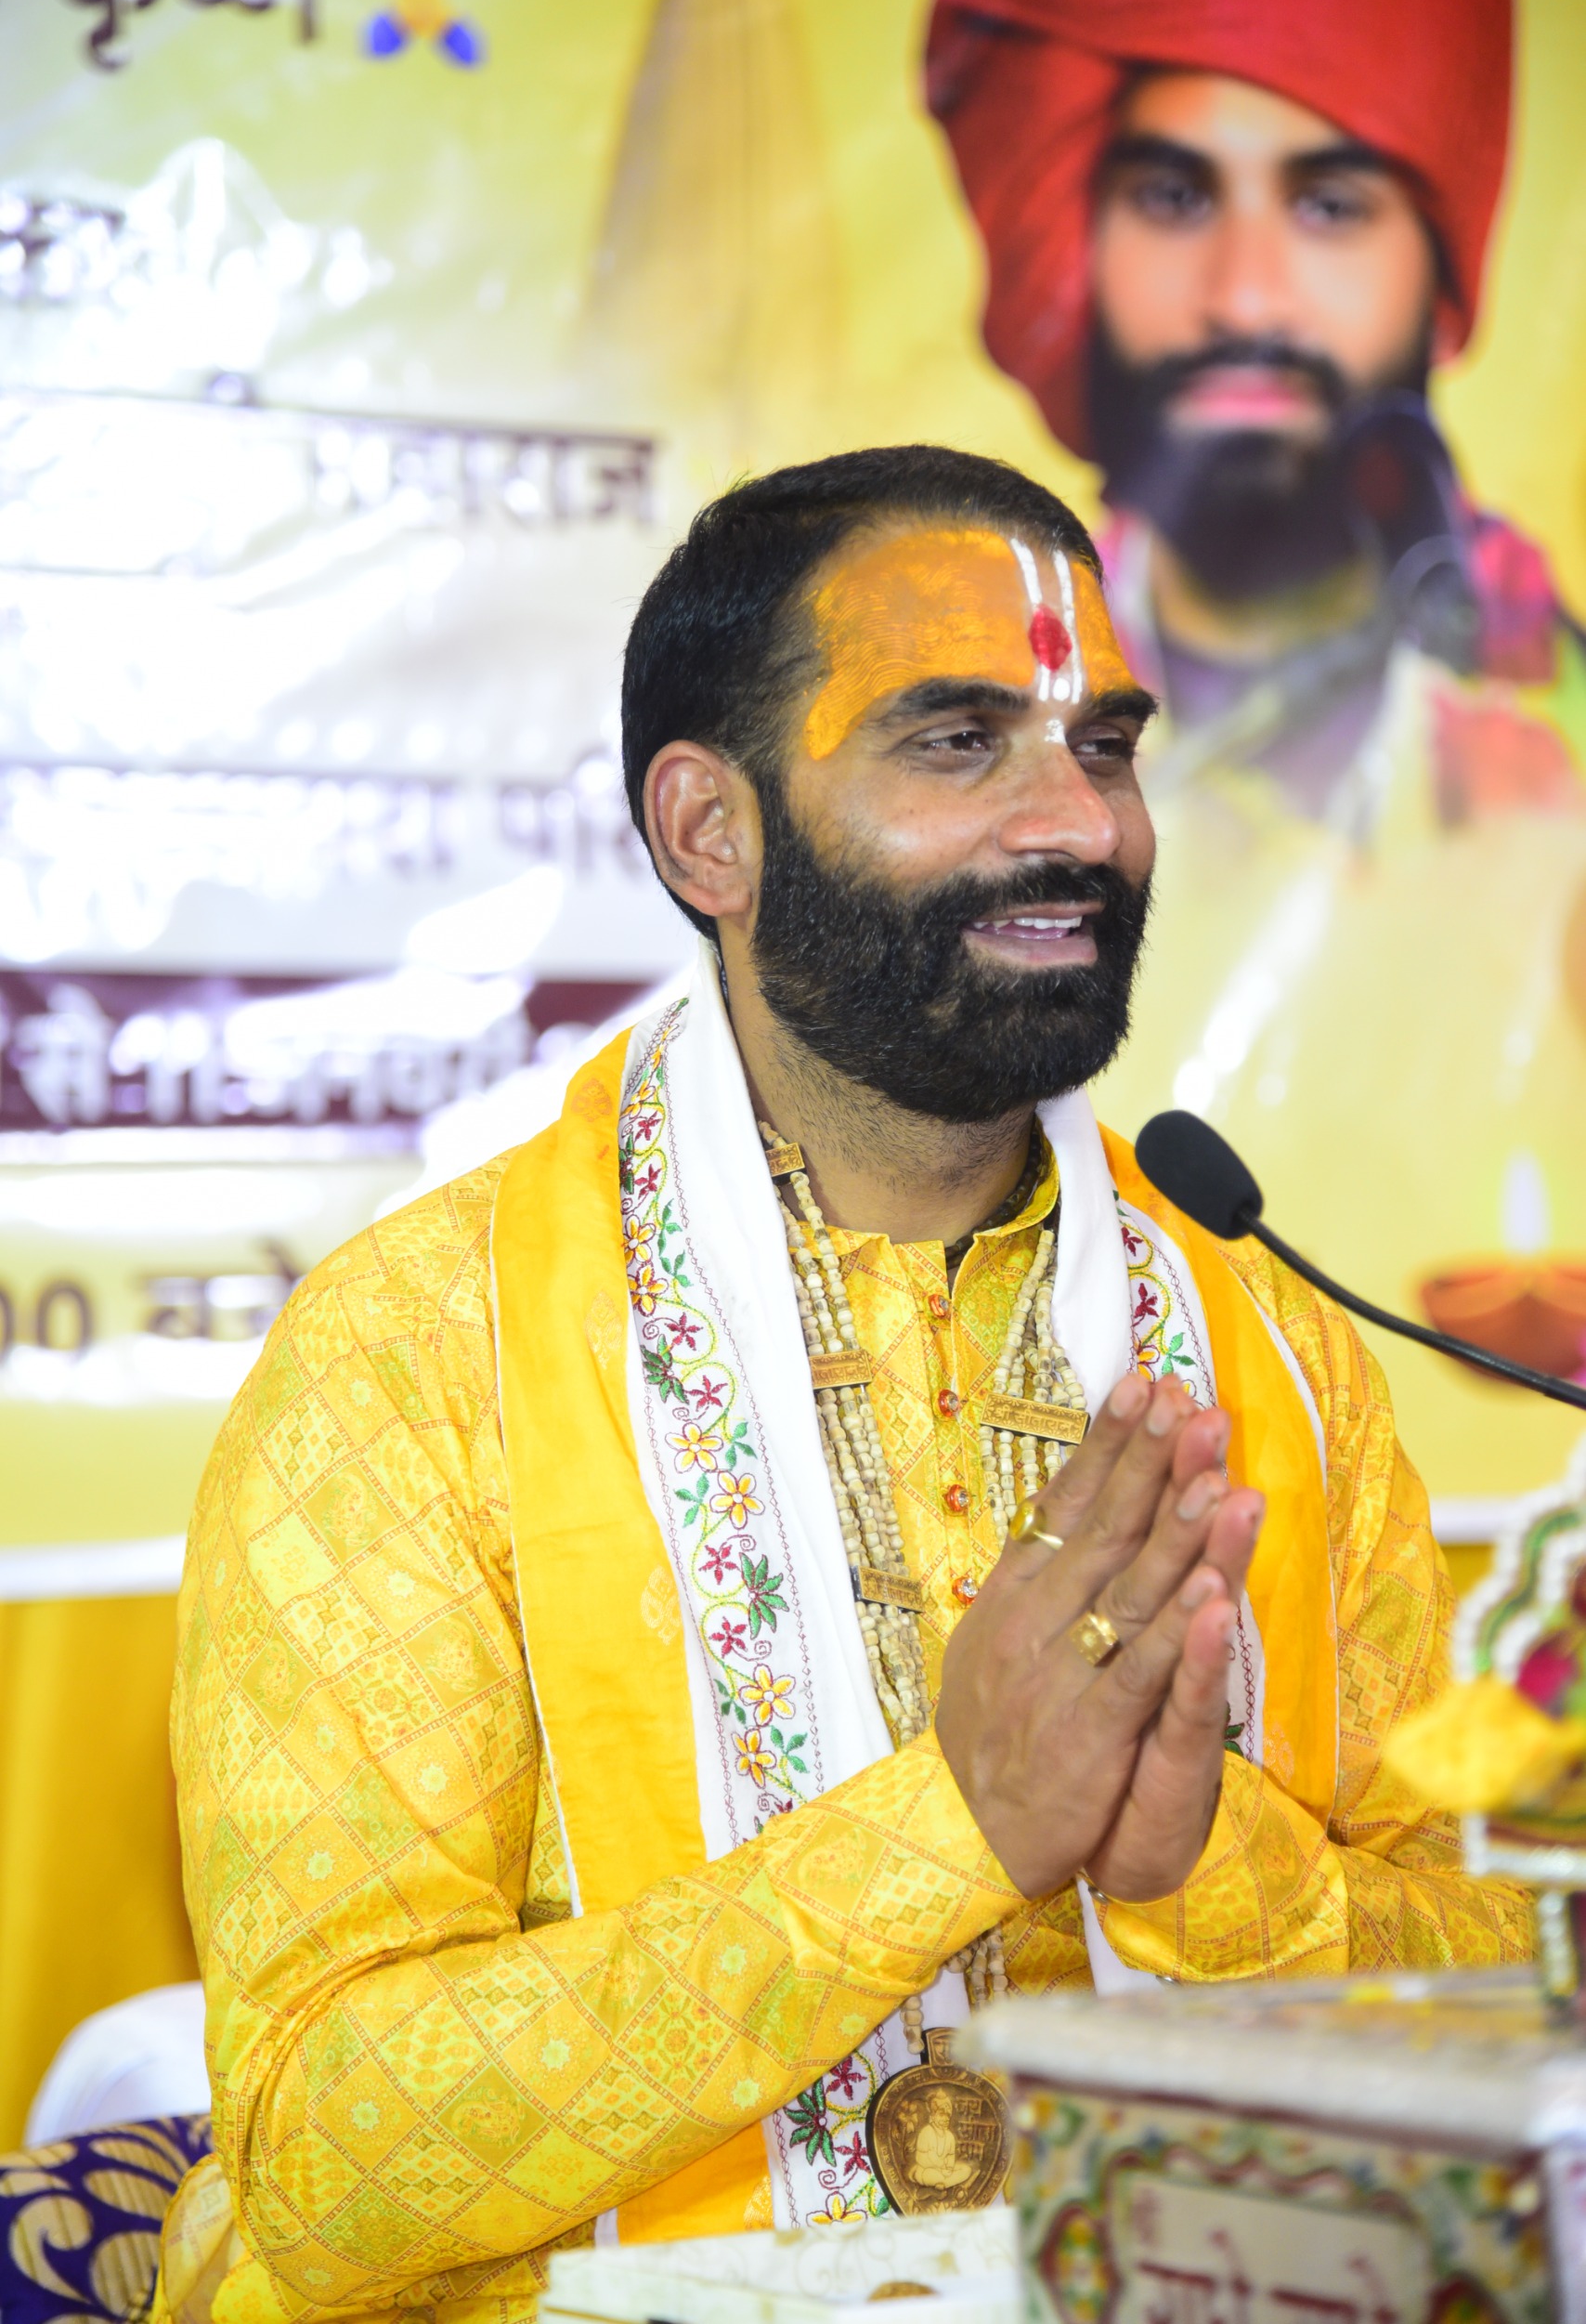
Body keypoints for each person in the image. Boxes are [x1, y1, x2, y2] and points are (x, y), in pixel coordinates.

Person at [155, 449, 1526, 2324]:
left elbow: (1498, 1982)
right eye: (956, 743)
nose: (1077, 822)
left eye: (1104, 746)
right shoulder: (413, 1358)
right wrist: (957, 1821)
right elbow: (324, 2157)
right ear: (708, 833)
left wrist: (1210, 1863)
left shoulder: (1273, 1356)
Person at [926, 0, 1586, 1507]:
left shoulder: (1555, 731)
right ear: (1080, 235)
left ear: (1439, 260)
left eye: (1330, 204)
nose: (1243, 294)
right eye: (1173, 196)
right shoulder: (931, 758)